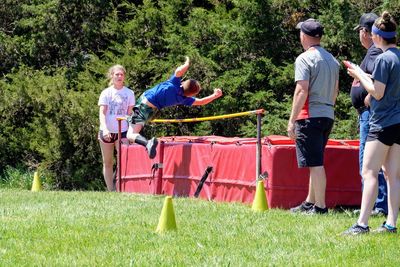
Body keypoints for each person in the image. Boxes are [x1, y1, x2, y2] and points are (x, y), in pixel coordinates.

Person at [344, 11, 400, 235]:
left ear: (376, 36)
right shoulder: (397, 56)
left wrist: (359, 75)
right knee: (393, 175)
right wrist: (360, 72)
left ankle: (362, 224)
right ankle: (391, 224)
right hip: (397, 122)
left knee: (368, 172)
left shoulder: (384, 59)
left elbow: (377, 93)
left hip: (382, 122)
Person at [288, 18, 340, 214]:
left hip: (309, 115)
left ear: (305, 36)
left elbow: (301, 90)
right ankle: (310, 202)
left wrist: (292, 120)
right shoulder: (332, 60)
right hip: (327, 115)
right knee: (314, 161)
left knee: (316, 164)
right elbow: (335, 92)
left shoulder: (304, 58)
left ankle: (320, 207)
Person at [127, 56, 223, 159]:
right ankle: (146, 143)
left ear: (182, 83)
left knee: (130, 135)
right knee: (133, 130)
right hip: (149, 111)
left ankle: (148, 143)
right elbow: (201, 101)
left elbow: (179, 70)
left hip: (143, 105)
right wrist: (215, 96)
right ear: (190, 95)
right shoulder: (184, 99)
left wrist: (187, 62)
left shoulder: (174, 83)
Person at [351, 13, 388, 216]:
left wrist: (370, 98)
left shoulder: (374, 53)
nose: (360, 36)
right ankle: (378, 205)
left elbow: (379, 82)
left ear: (366, 32)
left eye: (361, 31)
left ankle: (378, 205)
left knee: (369, 162)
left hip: (369, 114)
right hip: (368, 114)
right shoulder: (373, 53)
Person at [98, 65, 135, 191]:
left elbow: (130, 114)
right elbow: (102, 113)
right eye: (117, 74)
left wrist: (131, 132)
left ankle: (119, 187)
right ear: (112, 76)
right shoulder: (106, 93)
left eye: (121, 74)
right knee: (108, 162)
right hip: (108, 131)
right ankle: (110, 190)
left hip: (123, 131)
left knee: (123, 161)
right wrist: (105, 128)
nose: (119, 77)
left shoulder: (129, 93)